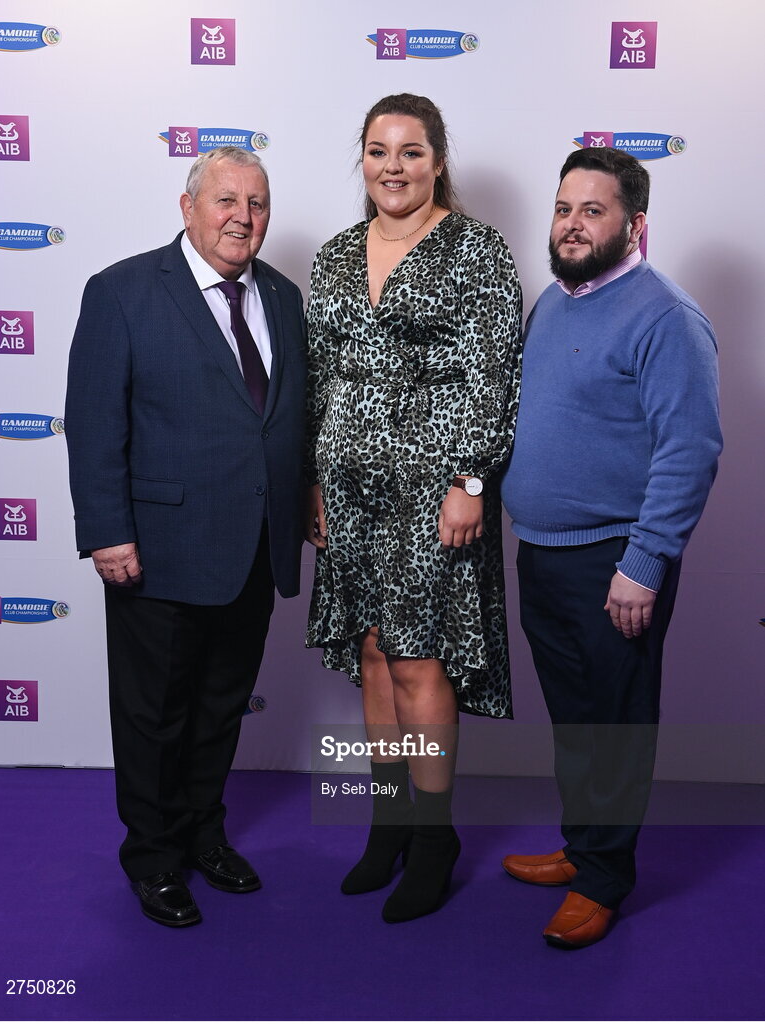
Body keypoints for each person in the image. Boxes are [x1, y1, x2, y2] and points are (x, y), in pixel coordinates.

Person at [65, 147, 307, 927]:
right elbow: (96, 423)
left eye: (259, 203)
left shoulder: (281, 295)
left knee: (218, 708)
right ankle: (155, 856)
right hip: (157, 548)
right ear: (187, 205)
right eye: (227, 200)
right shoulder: (123, 291)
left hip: (251, 545)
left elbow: (285, 419)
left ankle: (205, 833)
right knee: (152, 716)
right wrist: (106, 532)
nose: (243, 216)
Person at [304, 94, 522, 923]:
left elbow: (492, 372)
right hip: (347, 485)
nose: (392, 166)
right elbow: (321, 375)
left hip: (432, 489)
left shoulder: (475, 249)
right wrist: (311, 480)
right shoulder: (330, 257)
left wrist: (470, 480)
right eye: (377, 149)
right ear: (361, 159)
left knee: (416, 658)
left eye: (410, 150)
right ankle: (388, 821)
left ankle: (433, 837)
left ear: (437, 161)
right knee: (369, 653)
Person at [500, 146, 722, 948]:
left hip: (613, 563)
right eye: (563, 208)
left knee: (616, 725)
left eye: (592, 210)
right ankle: (580, 845)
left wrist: (644, 562)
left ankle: (602, 881)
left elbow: (689, 448)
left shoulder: (665, 316)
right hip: (543, 554)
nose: (571, 223)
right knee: (575, 721)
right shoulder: (553, 302)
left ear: (634, 225)